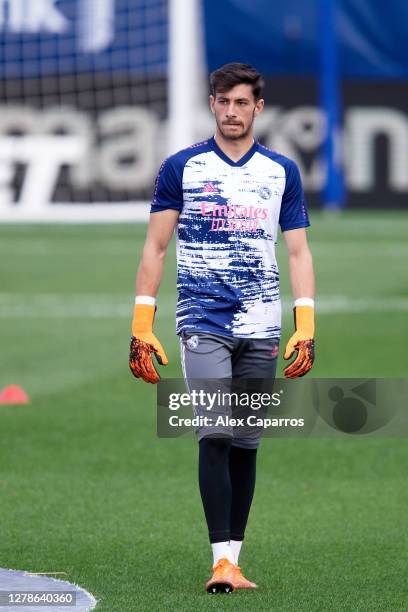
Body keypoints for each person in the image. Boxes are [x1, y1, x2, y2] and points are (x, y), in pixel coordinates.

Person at [129, 63, 315, 594]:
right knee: (214, 431)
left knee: (247, 442)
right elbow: (156, 247)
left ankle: (234, 559)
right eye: (222, 101)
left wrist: (305, 324)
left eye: (241, 103)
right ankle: (219, 561)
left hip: (262, 323)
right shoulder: (181, 167)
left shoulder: (282, 172)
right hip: (201, 321)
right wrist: (143, 321)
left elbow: (298, 251)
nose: (231, 112)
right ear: (211, 104)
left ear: (258, 107)